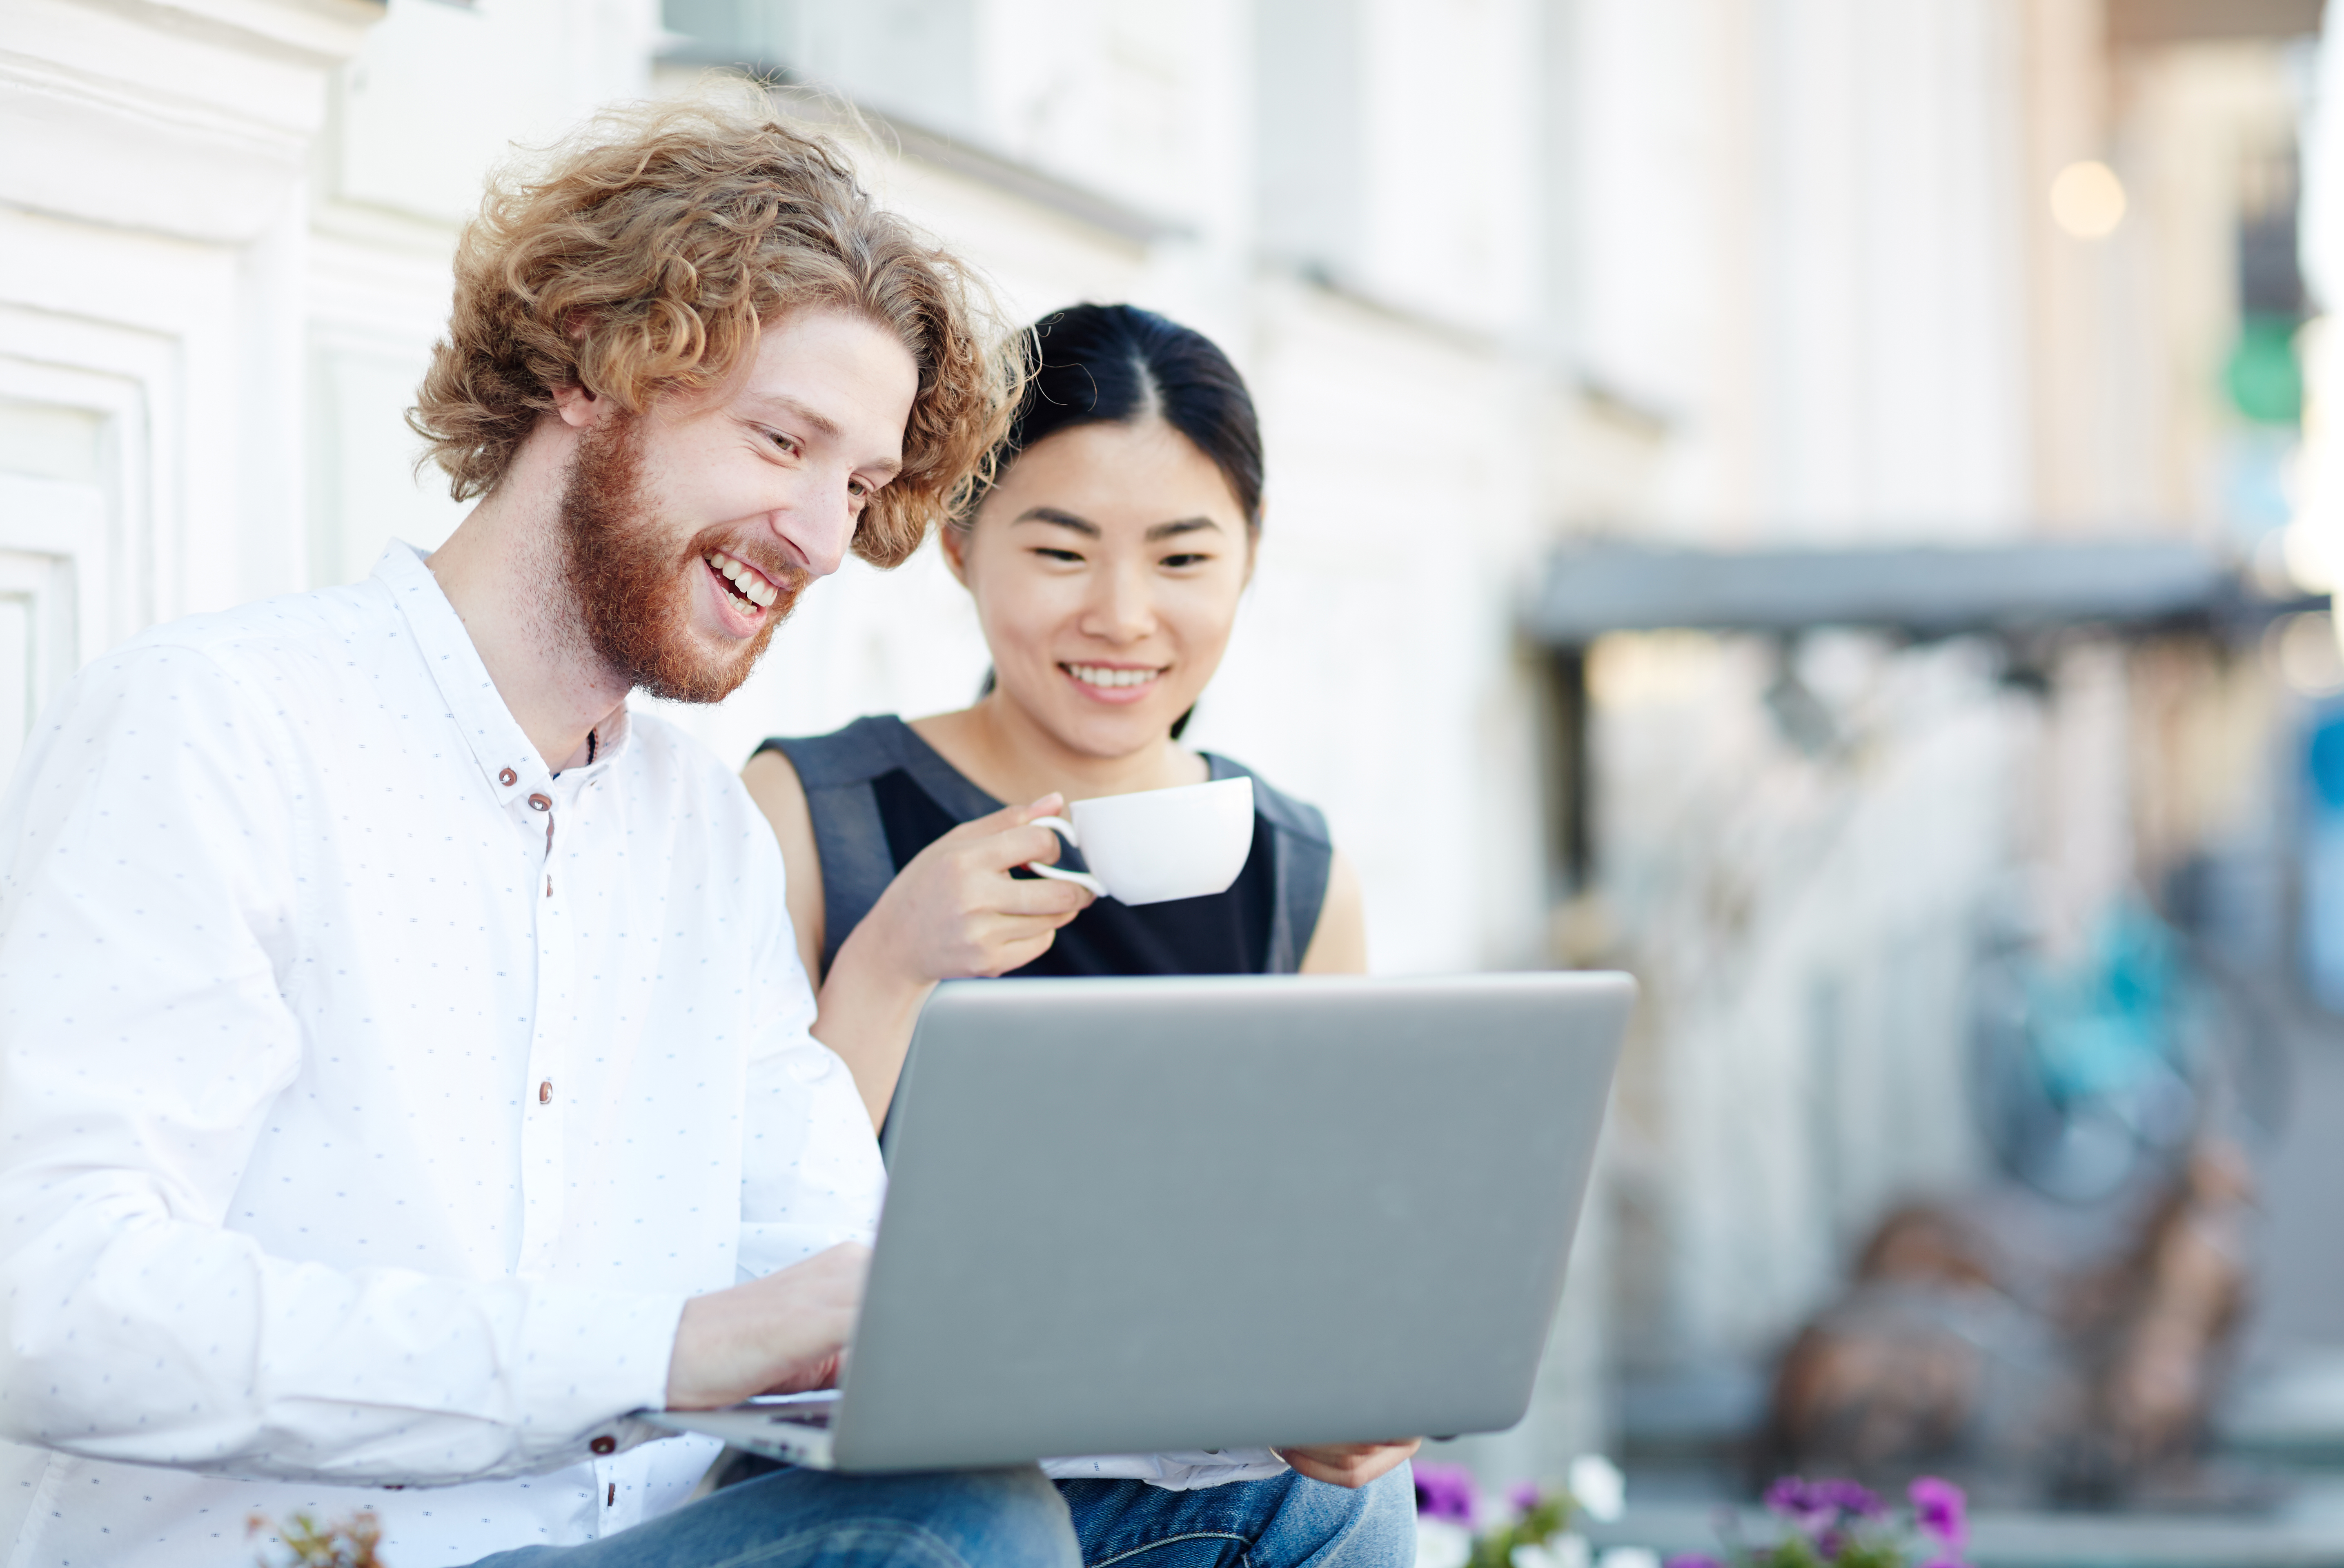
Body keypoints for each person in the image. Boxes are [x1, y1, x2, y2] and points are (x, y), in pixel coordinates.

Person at [0, 102, 1393, 1568]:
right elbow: (46, 1298)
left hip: (659, 1542)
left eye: (857, 486)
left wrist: (1238, 1393)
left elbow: (841, 1289)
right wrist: (664, 1349)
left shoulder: (695, 832)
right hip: (319, 1549)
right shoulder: (219, 726)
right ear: (591, 367)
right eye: (780, 441)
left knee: (1302, 1502)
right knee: (961, 1528)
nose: (818, 534)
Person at [741, 303, 1417, 1555]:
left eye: (1182, 557)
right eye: (1060, 553)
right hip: (892, 1488)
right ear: (956, 542)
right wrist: (890, 962)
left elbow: (1322, 1249)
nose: (1121, 617)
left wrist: (1341, 1389)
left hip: (1176, 1473)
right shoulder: (814, 811)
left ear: (1252, 556)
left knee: (1352, 1492)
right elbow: (725, 1229)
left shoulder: (1298, 869)